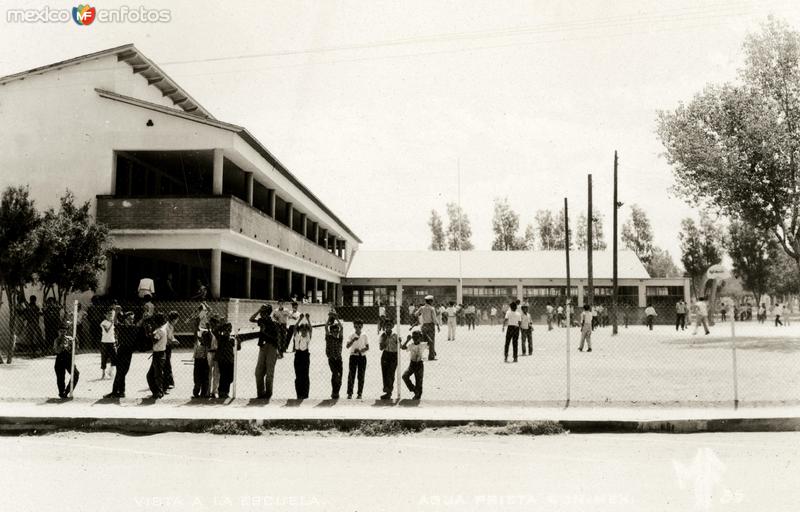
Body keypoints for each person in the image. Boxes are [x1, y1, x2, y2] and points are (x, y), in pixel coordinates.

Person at [252, 305, 279, 400]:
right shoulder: (262, 320)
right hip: (263, 347)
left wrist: (264, 332)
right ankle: (260, 393)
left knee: (269, 372)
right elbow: (251, 319)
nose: (261, 314)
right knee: (258, 372)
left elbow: (276, 339)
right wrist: (258, 309)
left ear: (267, 313)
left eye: (263, 312)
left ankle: (268, 394)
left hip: (271, 347)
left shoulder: (273, 322)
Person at [108, 311, 136, 398]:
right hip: (121, 351)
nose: (131, 321)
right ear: (125, 320)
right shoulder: (122, 327)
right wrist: (116, 312)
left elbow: (139, 323)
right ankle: (118, 391)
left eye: (132, 319)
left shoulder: (133, 328)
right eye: (129, 319)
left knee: (123, 371)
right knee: (120, 372)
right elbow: (115, 322)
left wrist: (143, 318)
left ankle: (119, 391)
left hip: (128, 352)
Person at [54, 322, 80, 399]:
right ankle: (62, 392)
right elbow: (57, 351)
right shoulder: (57, 340)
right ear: (58, 332)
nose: (63, 333)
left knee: (76, 374)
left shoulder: (69, 339)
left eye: (64, 331)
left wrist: (75, 342)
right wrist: (62, 345)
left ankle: (67, 391)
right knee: (60, 377)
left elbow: (76, 350)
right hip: (60, 359)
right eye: (61, 331)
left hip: (68, 359)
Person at [216, 321, 240, 399]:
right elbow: (216, 331)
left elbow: (238, 348)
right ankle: (222, 392)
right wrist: (221, 326)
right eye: (226, 330)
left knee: (230, 377)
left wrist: (238, 340)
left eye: (229, 330)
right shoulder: (220, 338)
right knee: (223, 376)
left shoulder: (232, 339)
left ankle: (224, 391)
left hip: (230, 360)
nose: (227, 332)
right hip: (222, 360)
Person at [346, 319, 369, 399]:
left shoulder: (364, 335)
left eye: (359, 326)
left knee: (361, 376)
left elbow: (367, 347)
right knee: (351, 375)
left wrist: (360, 350)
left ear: (362, 326)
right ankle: (349, 393)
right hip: (353, 356)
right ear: (354, 326)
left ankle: (359, 393)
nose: (358, 328)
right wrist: (353, 340)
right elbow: (347, 346)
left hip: (362, 356)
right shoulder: (351, 335)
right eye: (356, 326)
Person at [401, 329, 427, 400]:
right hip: (412, 364)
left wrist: (425, 335)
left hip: (419, 364)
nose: (415, 339)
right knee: (405, 376)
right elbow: (403, 347)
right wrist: (407, 340)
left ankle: (418, 395)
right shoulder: (411, 345)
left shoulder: (423, 344)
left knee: (419, 381)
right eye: (414, 337)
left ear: (420, 337)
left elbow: (431, 343)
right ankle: (414, 389)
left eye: (417, 337)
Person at [325, 311, 344, 399]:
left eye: (336, 331)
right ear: (331, 331)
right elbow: (326, 327)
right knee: (335, 374)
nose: (335, 333)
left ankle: (336, 392)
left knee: (339, 376)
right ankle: (334, 391)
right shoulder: (329, 338)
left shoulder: (339, 339)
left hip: (339, 359)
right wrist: (330, 318)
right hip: (332, 359)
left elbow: (342, 328)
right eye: (333, 331)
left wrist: (336, 318)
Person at [293, 314, 312, 399]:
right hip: (298, 355)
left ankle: (305, 394)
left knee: (305, 375)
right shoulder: (297, 337)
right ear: (300, 330)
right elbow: (294, 328)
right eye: (302, 329)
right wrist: (300, 319)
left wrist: (308, 319)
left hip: (305, 355)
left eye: (305, 330)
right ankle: (299, 394)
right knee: (298, 375)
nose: (304, 331)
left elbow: (311, 329)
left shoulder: (307, 337)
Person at [379, 321, 399, 400]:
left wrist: (399, 341)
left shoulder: (395, 335)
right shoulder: (383, 335)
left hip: (393, 355)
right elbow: (381, 348)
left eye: (389, 325)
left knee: (391, 373)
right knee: (385, 373)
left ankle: (389, 390)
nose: (388, 327)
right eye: (386, 326)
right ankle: (387, 391)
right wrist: (385, 339)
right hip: (386, 354)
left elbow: (399, 346)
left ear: (392, 326)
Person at [416, 295, 440, 361]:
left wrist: (421, 314)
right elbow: (434, 319)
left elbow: (416, 314)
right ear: (430, 301)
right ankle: (431, 356)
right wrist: (437, 325)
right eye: (432, 301)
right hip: (430, 326)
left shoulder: (422, 308)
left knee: (423, 341)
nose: (432, 302)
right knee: (431, 341)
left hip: (424, 326)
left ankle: (418, 354)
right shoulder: (432, 308)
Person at [192, 317, 211, 398]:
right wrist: (196, 325)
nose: (202, 339)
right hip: (198, 361)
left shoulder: (208, 346)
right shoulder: (198, 344)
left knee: (204, 379)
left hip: (204, 362)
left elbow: (209, 335)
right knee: (197, 379)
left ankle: (203, 392)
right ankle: (196, 392)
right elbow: (196, 335)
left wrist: (209, 329)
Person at [99, 309, 117, 379]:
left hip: (112, 342)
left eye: (111, 314)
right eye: (109, 314)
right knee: (104, 358)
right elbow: (107, 330)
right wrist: (111, 323)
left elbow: (113, 332)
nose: (110, 316)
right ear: (105, 315)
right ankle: (103, 373)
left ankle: (110, 372)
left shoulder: (113, 322)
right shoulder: (103, 322)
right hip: (104, 342)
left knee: (114, 357)